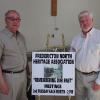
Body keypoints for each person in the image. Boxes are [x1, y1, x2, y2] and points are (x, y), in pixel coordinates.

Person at [70, 10, 100, 100]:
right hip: (78, 77)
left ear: (92, 20)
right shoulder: (75, 38)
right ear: (79, 23)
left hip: (94, 77)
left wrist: (99, 82)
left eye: (87, 20)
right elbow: (70, 58)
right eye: (82, 21)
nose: (84, 23)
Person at [0, 10, 28, 100]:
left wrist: (28, 75)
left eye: (17, 19)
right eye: (12, 19)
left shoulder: (21, 37)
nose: (15, 21)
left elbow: (24, 56)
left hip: (23, 76)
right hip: (9, 78)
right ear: (6, 20)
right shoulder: (1, 37)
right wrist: (1, 83)